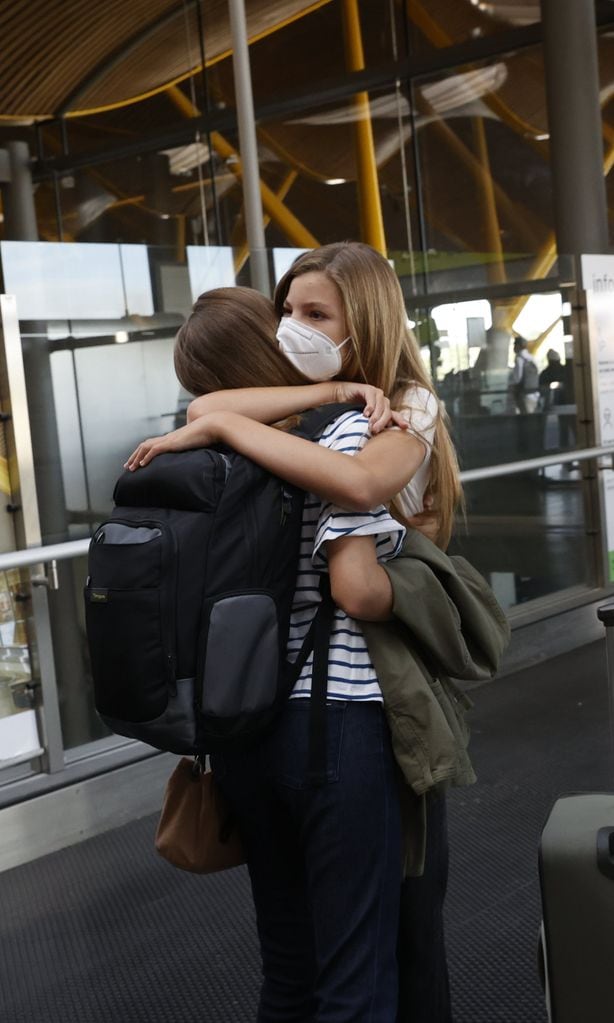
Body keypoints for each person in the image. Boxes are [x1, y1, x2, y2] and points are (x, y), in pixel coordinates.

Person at [126, 242, 463, 1021]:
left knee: (289, 973)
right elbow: (357, 579)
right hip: (341, 722)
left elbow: (204, 412)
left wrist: (223, 427)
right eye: (287, 312)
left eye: (315, 314)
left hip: (252, 728)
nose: (293, 328)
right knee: (363, 972)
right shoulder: (341, 426)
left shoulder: (326, 420)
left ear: (364, 323)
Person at [510, 335, 540, 414]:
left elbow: (517, 378)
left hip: (524, 395)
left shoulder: (519, 358)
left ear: (519, 346)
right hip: (534, 393)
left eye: (514, 344)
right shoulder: (530, 357)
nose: (513, 347)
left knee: (526, 420)